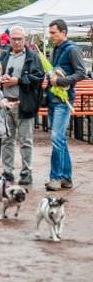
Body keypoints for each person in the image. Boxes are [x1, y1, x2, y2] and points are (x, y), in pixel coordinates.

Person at [0, 26, 44, 185]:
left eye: (20, 39)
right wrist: (2, 79)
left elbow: (39, 78)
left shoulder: (32, 57)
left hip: (23, 104)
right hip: (6, 103)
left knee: (25, 141)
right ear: (9, 40)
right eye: (14, 39)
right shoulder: (5, 56)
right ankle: (7, 172)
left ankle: (26, 172)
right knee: (6, 140)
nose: (17, 41)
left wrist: (18, 80)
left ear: (25, 40)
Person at [45, 19, 85, 191]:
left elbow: (81, 73)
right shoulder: (55, 49)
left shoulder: (72, 49)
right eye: (50, 32)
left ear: (63, 32)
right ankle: (66, 178)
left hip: (64, 101)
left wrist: (60, 80)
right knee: (60, 140)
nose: (50, 35)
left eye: (53, 32)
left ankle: (55, 178)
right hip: (53, 100)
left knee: (56, 139)